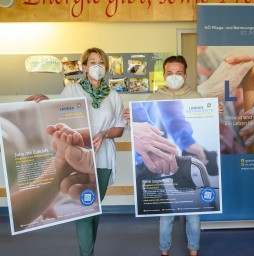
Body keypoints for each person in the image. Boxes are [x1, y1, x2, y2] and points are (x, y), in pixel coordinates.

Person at [26, 47, 127, 256]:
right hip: (80, 157)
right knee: (84, 209)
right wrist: (44, 100)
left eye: (101, 63)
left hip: (104, 158)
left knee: (94, 210)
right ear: (84, 67)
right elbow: (58, 111)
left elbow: (119, 128)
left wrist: (105, 133)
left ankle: (88, 250)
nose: (97, 66)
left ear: (106, 68)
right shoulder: (73, 90)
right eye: (92, 62)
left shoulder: (114, 96)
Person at [125, 55, 208, 256]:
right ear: (163, 75)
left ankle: (194, 250)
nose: (174, 77)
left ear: (186, 75)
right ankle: (164, 250)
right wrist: (131, 118)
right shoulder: (153, 98)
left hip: (187, 158)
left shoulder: (196, 98)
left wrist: (217, 112)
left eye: (178, 73)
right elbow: (142, 127)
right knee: (166, 212)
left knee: (194, 212)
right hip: (158, 157)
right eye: (169, 73)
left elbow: (191, 120)